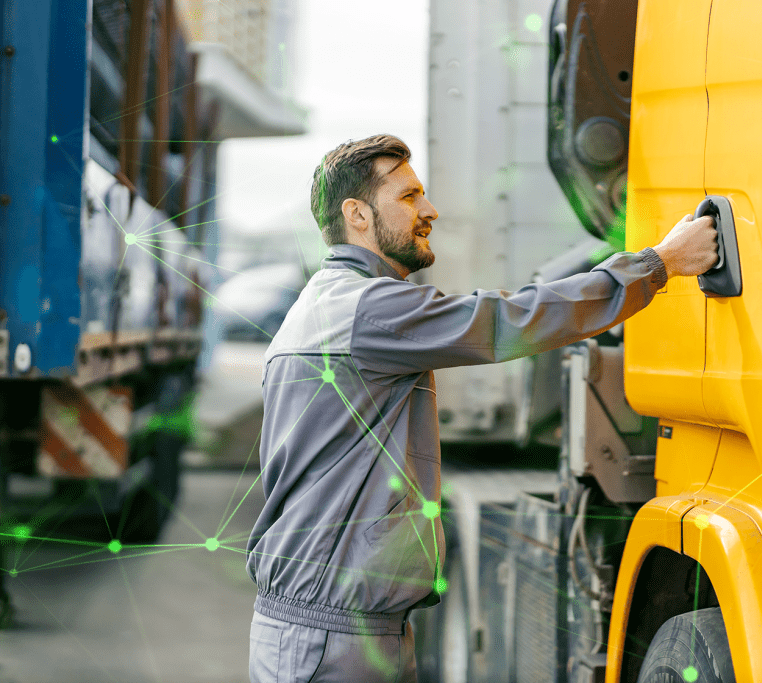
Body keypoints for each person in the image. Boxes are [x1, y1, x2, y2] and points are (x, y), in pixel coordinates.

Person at [245, 134, 718, 682]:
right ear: (356, 214)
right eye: (408, 197)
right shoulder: (367, 309)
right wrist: (656, 265)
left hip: (333, 631)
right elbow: (507, 320)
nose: (430, 210)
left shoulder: (328, 303)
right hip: (330, 639)